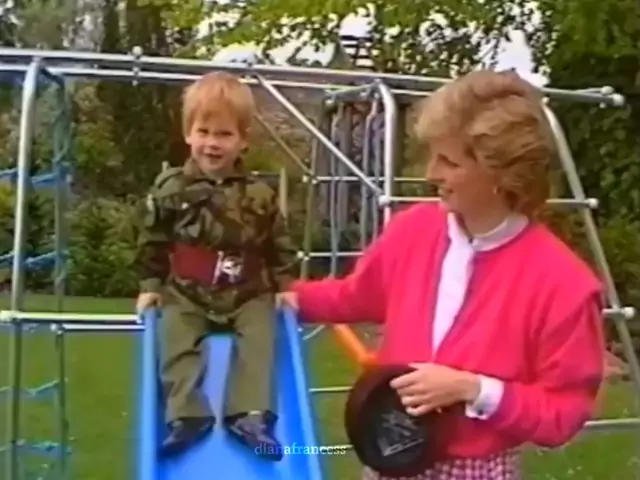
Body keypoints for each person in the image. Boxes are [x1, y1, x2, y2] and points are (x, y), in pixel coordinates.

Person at [278, 70, 606, 479]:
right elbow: (355, 295)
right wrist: (288, 297)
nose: (431, 173)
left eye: (449, 161)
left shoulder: (563, 285)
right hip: (389, 455)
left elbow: (563, 414)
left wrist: (473, 389)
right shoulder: (412, 230)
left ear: (501, 174)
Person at [135, 71, 298, 460]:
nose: (212, 143)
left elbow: (278, 244)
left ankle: (250, 416)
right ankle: (187, 414)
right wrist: (151, 285)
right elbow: (152, 239)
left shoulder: (258, 194)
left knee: (261, 337)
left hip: (246, 290)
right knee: (175, 335)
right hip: (188, 290)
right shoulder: (171, 188)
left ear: (243, 140)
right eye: (204, 131)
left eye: (224, 134)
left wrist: (286, 285)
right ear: (188, 133)